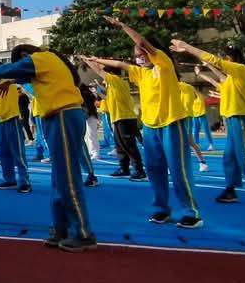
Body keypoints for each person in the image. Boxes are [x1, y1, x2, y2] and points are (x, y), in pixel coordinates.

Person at [0, 44, 96, 251]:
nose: (24, 65)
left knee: (67, 177)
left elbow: (17, 68)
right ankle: (61, 228)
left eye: (22, 60)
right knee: (58, 177)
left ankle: (83, 233)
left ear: (27, 55)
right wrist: (9, 80)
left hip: (63, 116)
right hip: (58, 117)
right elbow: (22, 76)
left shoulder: (43, 57)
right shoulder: (49, 64)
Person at [87, 17, 205, 227]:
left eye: (142, 54)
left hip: (172, 124)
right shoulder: (140, 73)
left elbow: (142, 42)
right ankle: (162, 209)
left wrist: (123, 26)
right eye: (137, 56)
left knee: (178, 170)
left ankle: (191, 213)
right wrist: (95, 60)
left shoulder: (164, 64)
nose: (139, 57)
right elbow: (120, 64)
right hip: (150, 127)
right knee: (154, 170)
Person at [170, 38, 245, 209]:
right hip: (233, 119)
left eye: (224, 58)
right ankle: (231, 190)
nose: (221, 61)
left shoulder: (241, 70)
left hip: (241, 119)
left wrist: (187, 47)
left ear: (230, 58)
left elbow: (215, 61)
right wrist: (207, 66)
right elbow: (219, 73)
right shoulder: (232, 77)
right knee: (230, 157)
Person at [81, 58, 146, 181]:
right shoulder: (112, 85)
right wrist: (99, 88)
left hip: (125, 118)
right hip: (118, 118)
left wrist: (89, 61)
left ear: (110, 73)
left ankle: (139, 170)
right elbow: (106, 97)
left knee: (129, 145)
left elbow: (98, 70)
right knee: (120, 146)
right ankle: (124, 168)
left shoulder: (116, 80)